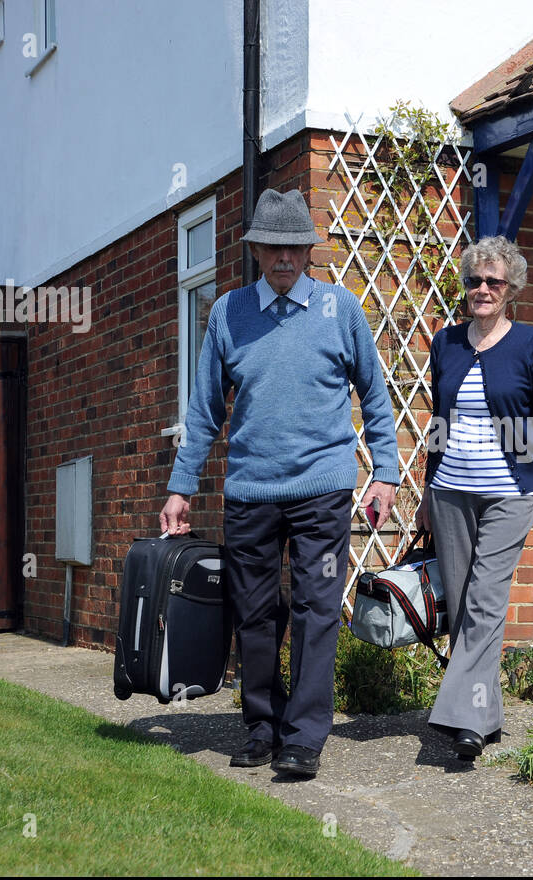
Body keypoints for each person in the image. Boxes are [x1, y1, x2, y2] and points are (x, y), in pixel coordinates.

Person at [161, 188, 398, 778]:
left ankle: (304, 738)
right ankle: (261, 726)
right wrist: (180, 486)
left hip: (323, 489)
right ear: (257, 250)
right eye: (273, 246)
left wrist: (387, 472)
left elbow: (374, 395)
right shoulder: (227, 314)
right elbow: (204, 409)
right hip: (251, 492)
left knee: (318, 610)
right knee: (255, 612)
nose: (284, 257)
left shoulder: (341, 310)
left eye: (295, 245)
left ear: (308, 250)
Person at [415, 235, 533, 760]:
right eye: (474, 281)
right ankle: (483, 720)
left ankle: (457, 718)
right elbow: (438, 424)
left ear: (511, 288)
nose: (482, 289)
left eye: (493, 281)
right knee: (467, 605)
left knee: (486, 601)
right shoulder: (446, 343)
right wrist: (426, 489)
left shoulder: (531, 344)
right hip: (450, 495)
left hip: (509, 493)